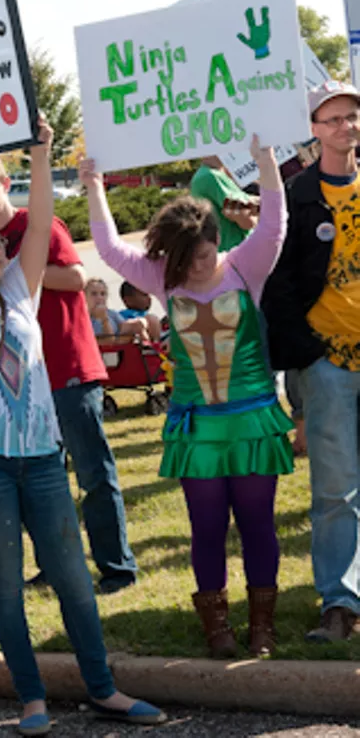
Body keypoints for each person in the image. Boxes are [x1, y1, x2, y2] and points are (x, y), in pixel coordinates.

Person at [0, 121, 164, 734]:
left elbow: (38, 223)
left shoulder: (20, 292)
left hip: (42, 460)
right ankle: (31, 699)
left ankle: (103, 689)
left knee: (74, 581)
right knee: (6, 586)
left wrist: (40, 154)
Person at [85, 137, 292, 658]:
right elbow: (110, 249)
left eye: (203, 254)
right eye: (187, 259)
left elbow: (273, 224)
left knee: (257, 522)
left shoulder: (247, 265)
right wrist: (91, 185)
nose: (198, 267)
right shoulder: (164, 277)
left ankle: (262, 625)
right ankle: (216, 626)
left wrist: (265, 159)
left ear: (216, 241)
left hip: (251, 422)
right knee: (205, 526)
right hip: (196, 427)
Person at [0, 153, 138, 594]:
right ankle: (55, 565)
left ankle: (116, 567)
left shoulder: (36, 224)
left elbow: (78, 278)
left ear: (6, 182)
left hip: (69, 368)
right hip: (26, 382)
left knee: (93, 473)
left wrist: (18, 270)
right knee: (43, 480)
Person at [263, 80, 360, 643]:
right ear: (315, 129)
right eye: (334, 119)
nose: (346, 126)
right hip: (327, 367)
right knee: (336, 488)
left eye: (352, 116)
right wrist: (310, 357)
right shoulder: (296, 197)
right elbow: (276, 288)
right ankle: (340, 604)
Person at [191, 157, 259, 252]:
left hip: (227, 254)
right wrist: (260, 205)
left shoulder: (211, 176)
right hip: (233, 254)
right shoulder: (211, 177)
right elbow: (247, 220)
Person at [84, 278, 150, 341]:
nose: (99, 297)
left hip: (118, 346)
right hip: (99, 346)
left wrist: (139, 324)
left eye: (103, 294)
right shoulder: (84, 317)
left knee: (140, 323)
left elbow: (124, 326)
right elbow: (108, 340)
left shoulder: (112, 314)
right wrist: (104, 319)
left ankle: (148, 347)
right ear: (84, 297)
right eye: (94, 294)